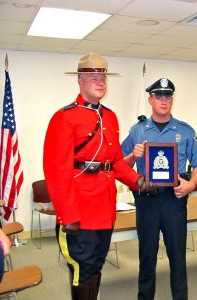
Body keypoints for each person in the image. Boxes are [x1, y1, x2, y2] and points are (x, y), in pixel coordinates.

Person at [43, 52, 156, 300]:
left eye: (103, 76)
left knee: (96, 264)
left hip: (104, 207)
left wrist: (137, 181)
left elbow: (114, 161)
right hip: (79, 211)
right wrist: (68, 214)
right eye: (93, 76)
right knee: (81, 269)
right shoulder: (64, 117)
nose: (100, 81)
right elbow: (56, 171)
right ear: (80, 81)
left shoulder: (110, 116)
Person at [121, 78, 197, 300]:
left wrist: (191, 184)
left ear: (172, 100)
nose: (163, 101)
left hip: (174, 199)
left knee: (177, 255)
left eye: (167, 97)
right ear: (150, 100)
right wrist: (133, 155)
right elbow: (121, 165)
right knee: (146, 256)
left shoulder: (185, 131)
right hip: (146, 200)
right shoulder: (137, 130)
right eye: (159, 96)